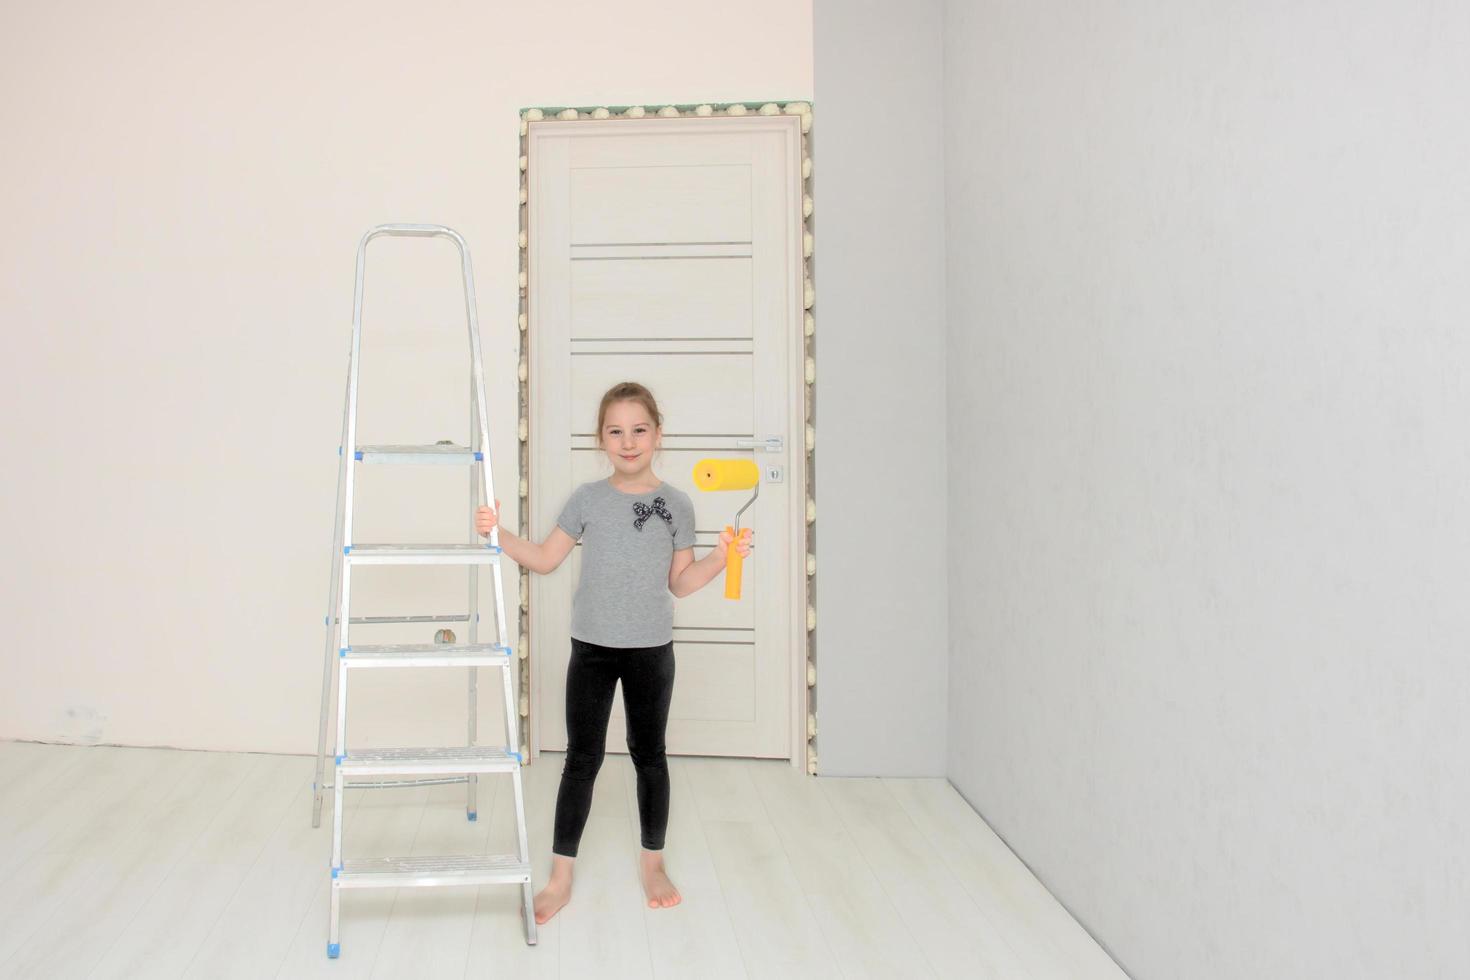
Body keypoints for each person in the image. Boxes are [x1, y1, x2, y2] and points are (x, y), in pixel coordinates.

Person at [474, 381, 753, 924]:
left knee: (650, 756)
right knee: (582, 760)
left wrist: (721, 558)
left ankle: (653, 863)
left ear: (658, 435)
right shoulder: (587, 500)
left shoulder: (676, 504)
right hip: (593, 650)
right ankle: (560, 876)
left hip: (651, 651)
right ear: (600, 439)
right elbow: (544, 558)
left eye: (639, 429)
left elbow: (682, 582)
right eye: (615, 431)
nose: (628, 441)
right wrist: (497, 533)